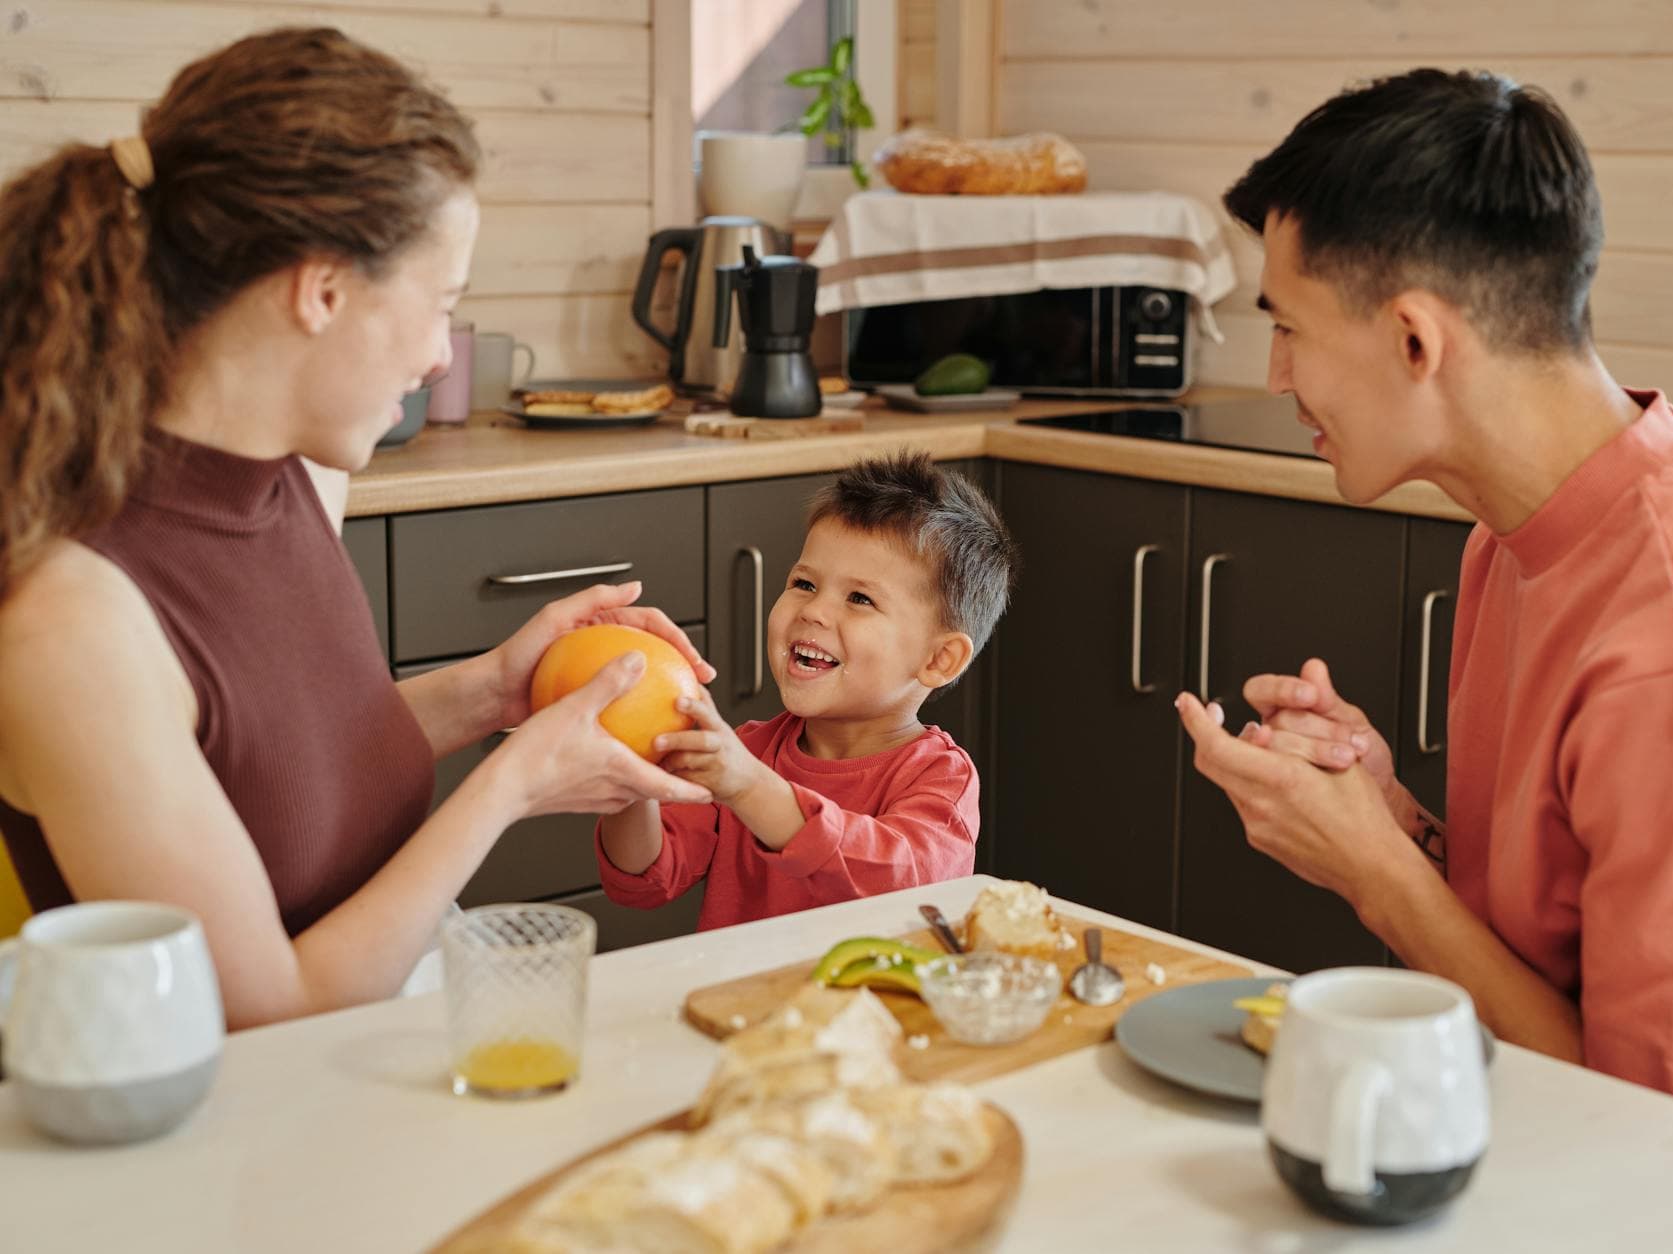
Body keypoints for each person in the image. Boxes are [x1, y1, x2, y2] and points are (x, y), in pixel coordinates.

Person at [1174, 68, 1673, 1158]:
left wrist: (1379, 873)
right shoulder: (1514, 532)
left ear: (1415, 340)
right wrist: (1387, 820)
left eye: (1288, 328)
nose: (1275, 376)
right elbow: (1565, 962)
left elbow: (1667, 1146)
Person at [0, 27, 713, 1030]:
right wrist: (509, 784)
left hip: (394, 1042)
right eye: (442, 305)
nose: (438, 357)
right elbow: (264, 1014)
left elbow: (280, 774)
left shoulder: (302, 475)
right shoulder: (73, 621)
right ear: (322, 290)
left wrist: (489, 692)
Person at [598, 452, 1016, 929]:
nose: (813, 611)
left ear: (938, 660)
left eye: (860, 598)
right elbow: (644, 880)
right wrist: (632, 780)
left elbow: (901, 884)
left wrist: (751, 789)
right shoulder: (745, 751)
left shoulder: (940, 778)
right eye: (804, 583)